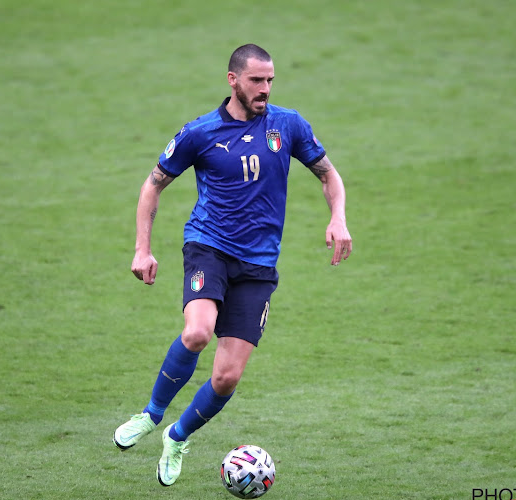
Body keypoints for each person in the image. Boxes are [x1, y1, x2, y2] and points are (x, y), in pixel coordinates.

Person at [114, 43, 352, 487]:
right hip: (209, 247)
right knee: (198, 332)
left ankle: (177, 437)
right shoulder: (200, 133)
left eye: (270, 81)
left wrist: (338, 218)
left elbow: (329, 175)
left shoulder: (288, 124)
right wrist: (141, 249)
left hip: (259, 265)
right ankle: (150, 413)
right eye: (256, 80)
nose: (265, 89)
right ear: (233, 80)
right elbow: (152, 187)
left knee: (226, 377)